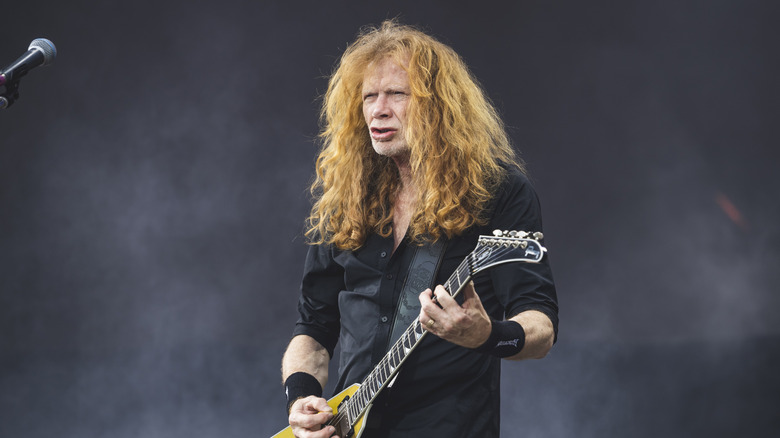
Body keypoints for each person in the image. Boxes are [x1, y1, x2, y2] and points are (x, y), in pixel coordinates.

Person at [280, 20, 558, 438]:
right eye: (369, 96)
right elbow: (313, 330)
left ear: (438, 104)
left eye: (396, 93)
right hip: (350, 426)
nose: (378, 109)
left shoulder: (496, 191)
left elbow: (541, 328)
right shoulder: (347, 196)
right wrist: (301, 398)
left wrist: (487, 336)